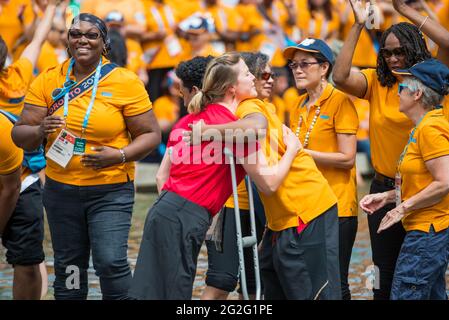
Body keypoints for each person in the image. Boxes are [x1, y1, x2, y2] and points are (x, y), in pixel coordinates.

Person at [11, 13, 161, 300]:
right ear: (67, 40)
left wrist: (119, 155)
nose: (83, 39)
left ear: (104, 43)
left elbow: (151, 135)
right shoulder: (48, 78)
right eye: (75, 33)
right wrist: (41, 129)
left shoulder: (125, 81)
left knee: (110, 261)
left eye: (91, 35)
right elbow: (20, 135)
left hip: (111, 189)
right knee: (69, 267)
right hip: (60, 189)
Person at [129, 52, 301, 300]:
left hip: (164, 209)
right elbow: (269, 183)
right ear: (232, 89)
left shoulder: (190, 120)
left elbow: (161, 177)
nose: (253, 76)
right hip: (188, 215)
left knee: (151, 293)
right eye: (246, 74)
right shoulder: (237, 129)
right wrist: (292, 150)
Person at [187, 52, 340, 300]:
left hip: (304, 208)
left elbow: (257, 135)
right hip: (288, 215)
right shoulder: (244, 108)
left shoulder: (251, 106)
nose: (266, 80)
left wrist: (206, 131)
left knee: (310, 292)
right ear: (232, 87)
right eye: (253, 74)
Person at [332, 0, 432, 300]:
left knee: (421, 276)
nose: (392, 58)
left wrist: (413, 11)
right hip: (383, 190)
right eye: (386, 52)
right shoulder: (378, 81)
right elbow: (339, 77)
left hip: (426, 190)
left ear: (414, 50)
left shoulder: (433, 82)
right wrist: (358, 24)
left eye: (399, 51)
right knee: (382, 274)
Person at [360, 58, 449, 300]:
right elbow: (424, 180)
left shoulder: (430, 129)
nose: (397, 92)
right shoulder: (421, 128)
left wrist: (401, 209)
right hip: (425, 230)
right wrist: (388, 197)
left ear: (417, 93)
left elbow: (444, 181)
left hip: (428, 230)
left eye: (402, 87)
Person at [285, 38, 358, 300]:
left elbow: (348, 158)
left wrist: (301, 153)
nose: (298, 70)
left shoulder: (340, 101)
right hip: (305, 207)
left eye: (305, 64)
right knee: (313, 282)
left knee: (336, 282)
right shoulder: (297, 104)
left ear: (324, 67)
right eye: (293, 65)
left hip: (337, 206)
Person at [200, 52, 273, 300]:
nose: (269, 79)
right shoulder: (241, 108)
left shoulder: (266, 107)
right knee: (222, 280)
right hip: (232, 203)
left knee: (253, 283)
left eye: (271, 74)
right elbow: (254, 129)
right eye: (263, 74)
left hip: (256, 204)